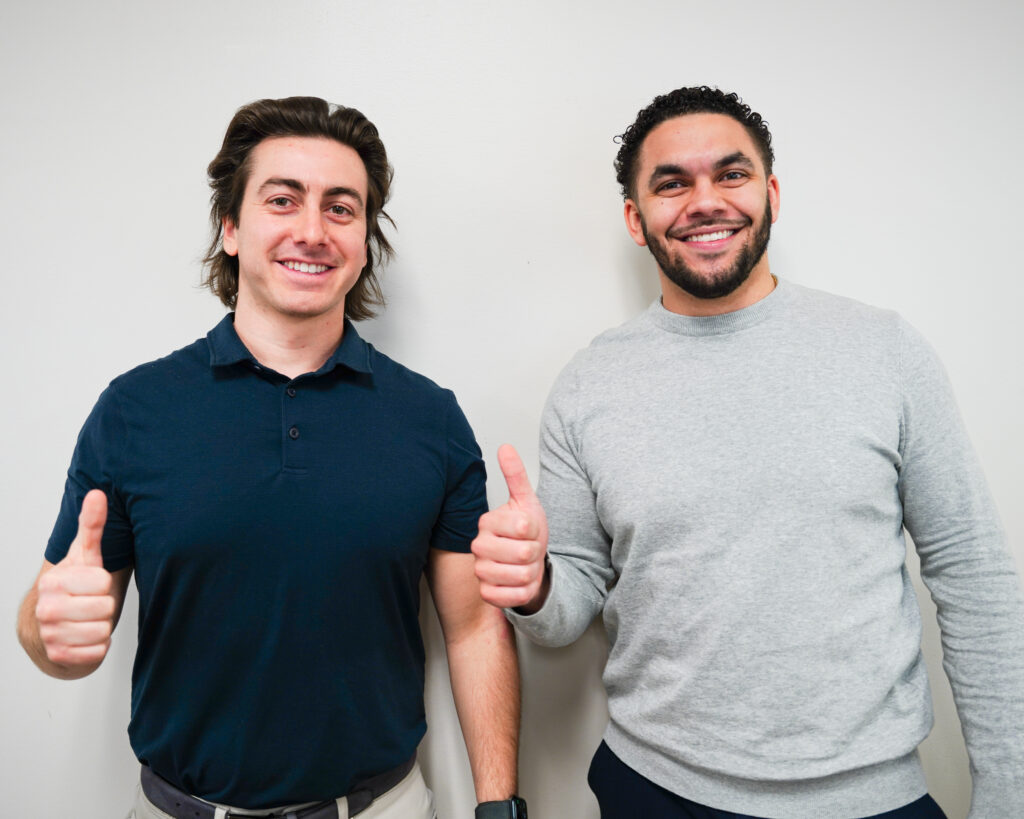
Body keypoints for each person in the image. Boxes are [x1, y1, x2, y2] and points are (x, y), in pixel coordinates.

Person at [472, 86, 1024, 818]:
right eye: (672, 183)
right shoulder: (588, 384)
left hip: (870, 798)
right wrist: (537, 584)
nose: (705, 200)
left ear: (770, 192)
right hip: (656, 789)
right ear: (637, 219)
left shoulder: (883, 350)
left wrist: (1008, 791)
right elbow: (573, 601)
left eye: (729, 175)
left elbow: (973, 575)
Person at [17, 96, 525, 819]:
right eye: (282, 199)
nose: (312, 231)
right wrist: (47, 630)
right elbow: (50, 617)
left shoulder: (429, 418)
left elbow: (474, 626)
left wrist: (499, 807)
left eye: (341, 208)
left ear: (364, 238)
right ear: (231, 226)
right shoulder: (135, 410)